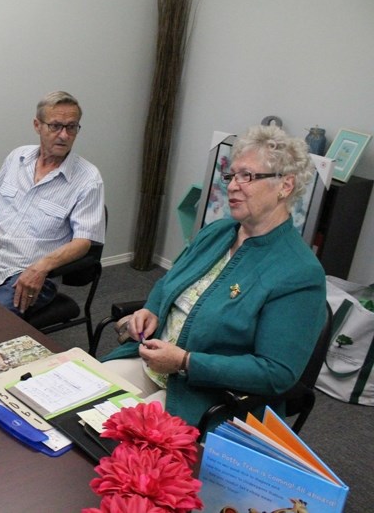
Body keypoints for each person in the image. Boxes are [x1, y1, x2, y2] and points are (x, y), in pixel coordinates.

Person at [102, 124, 326, 432]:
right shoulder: (216, 232)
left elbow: (276, 372)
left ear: (285, 186)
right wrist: (151, 309)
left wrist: (186, 362)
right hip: (153, 363)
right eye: (232, 175)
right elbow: (169, 284)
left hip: (209, 394)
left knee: (119, 437)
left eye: (247, 176)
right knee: (79, 398)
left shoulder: (299, 272)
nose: (232, 186)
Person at [0, 91, 105, 316]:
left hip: (31, 272)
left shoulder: (88, 179)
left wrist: (41, 267)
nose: (64, 135)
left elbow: (83, 242)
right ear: (37, 125)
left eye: (71, 127)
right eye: (55, 126)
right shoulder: (17, 158)